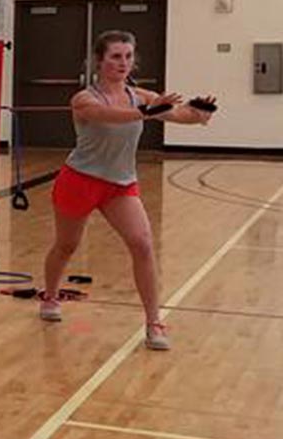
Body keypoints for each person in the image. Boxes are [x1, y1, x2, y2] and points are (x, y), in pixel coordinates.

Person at [39, 30, 216, 350]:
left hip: (120, 184)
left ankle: (154, 322)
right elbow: (108, 116)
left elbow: (179, 114)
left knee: (143, 244)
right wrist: (148, 111)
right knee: (66, 246)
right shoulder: (85, 98)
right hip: (79, 180)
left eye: (128, 57)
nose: (123, 63)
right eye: (115, 57)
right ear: (99, 61)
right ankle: (50, 295)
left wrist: (200, 114)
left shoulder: (141, 96)